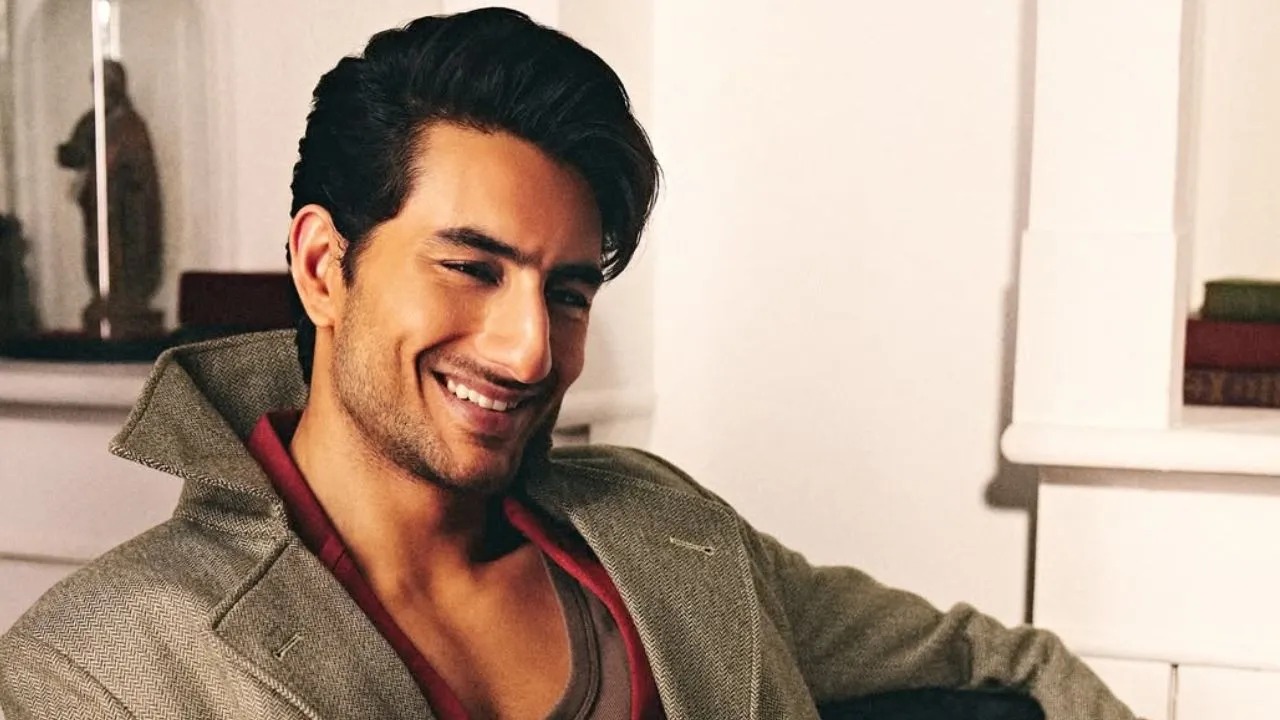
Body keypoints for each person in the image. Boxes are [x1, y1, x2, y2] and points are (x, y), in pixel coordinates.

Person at [0, 9, 1140, 720]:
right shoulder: (99, 668)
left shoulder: (669, 534)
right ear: (322, 266)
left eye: (569, 289)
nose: (530, 347)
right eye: (471, 268)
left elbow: (1012, 668)